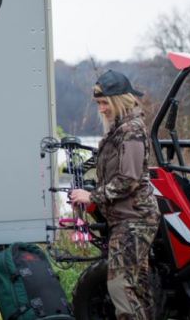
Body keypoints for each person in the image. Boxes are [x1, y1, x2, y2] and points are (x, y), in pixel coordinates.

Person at [69, 70, 161, 320]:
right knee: (138, 288)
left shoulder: (130, 131)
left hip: (135, 220)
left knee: (119, 286)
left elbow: (128, 180)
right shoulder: (119, 130)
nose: (101, 109)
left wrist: (92, 197)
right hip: (127, 219)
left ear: (119, 101)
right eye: (98, 103)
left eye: (104, 103)